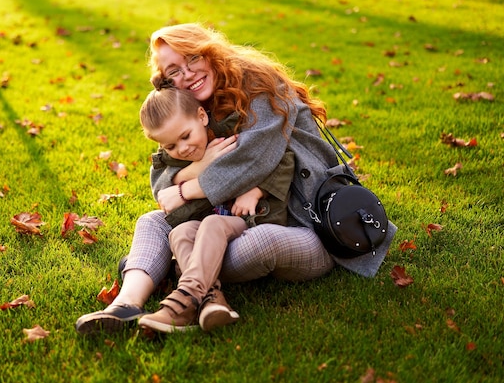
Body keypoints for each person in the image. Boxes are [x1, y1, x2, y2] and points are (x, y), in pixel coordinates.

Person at [75, 22, 397, 335]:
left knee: (254, 244)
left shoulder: (263, 87)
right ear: (166, 80)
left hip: (307, 225)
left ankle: (176, 272)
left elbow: (253, 162)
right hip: (237, 219)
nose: (187, 74)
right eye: (174, 70)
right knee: (151, 222)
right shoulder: (189, 107)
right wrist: (196, 168)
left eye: (193, 58)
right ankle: (125, 305)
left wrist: (187, 189)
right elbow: (162, 183)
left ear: (210, 53)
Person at [135, 80, 295, 332]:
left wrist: (256, 191)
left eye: (185, 136)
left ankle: (185, 297)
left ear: (201, 116)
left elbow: (281, 159)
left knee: (212, 223)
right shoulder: (176, 161)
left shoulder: (230, 138)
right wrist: (193, 170)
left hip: (251, 218)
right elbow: (161, 188)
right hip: (211, 221)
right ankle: (210, 301)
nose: (183, 148)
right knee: (180, 232)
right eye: (171, 146)